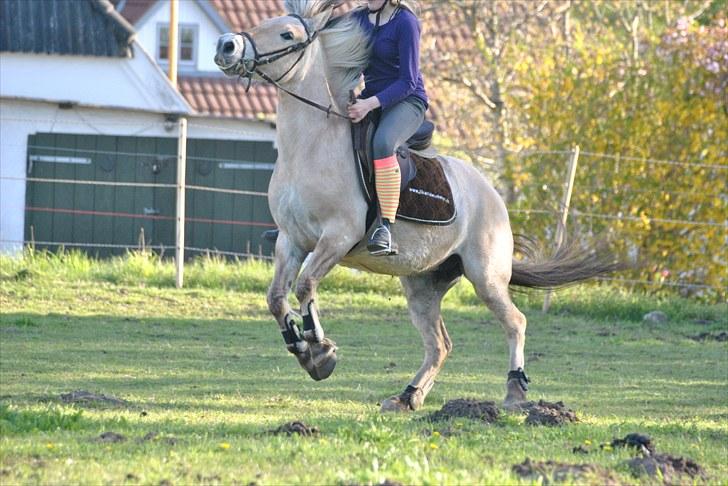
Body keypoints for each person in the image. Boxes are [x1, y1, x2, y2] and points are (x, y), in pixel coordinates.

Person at [348, 0, 428, 256]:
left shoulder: (406, 23)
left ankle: (385, 227)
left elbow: (408, 80)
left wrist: (368, 104)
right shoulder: (358, 19)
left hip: (407, 101)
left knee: (382, 143)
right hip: (371, 99)